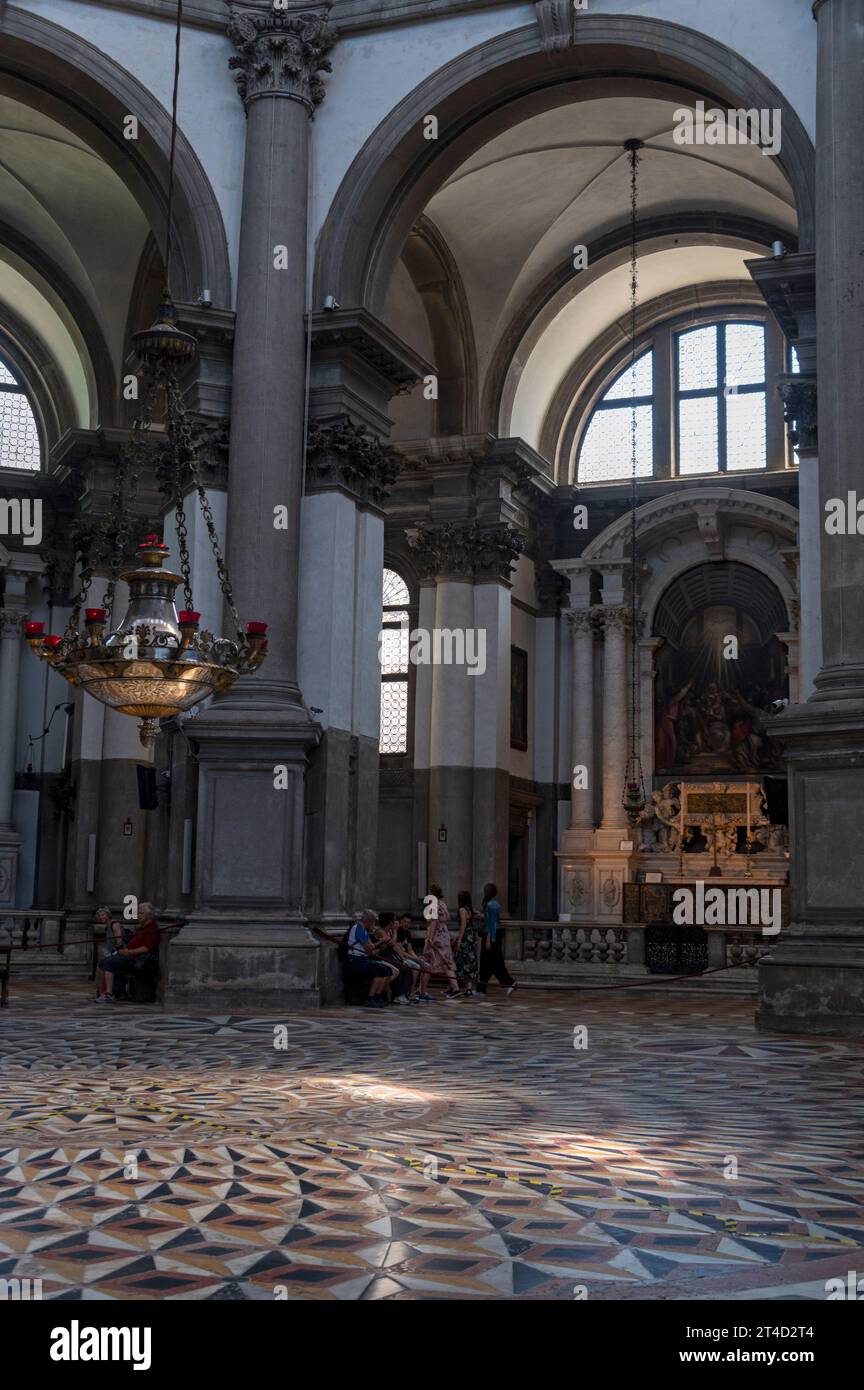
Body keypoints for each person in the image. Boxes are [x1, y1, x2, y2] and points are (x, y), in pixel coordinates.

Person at [96, 902, 160, 1002]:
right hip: (128, 955)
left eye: (141, 913)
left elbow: (146, 948)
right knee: (103, 962)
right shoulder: (142, 928)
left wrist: (128, 951)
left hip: (136, 959)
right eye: (138, 913)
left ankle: (109, 995)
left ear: (150, 915)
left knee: (109, 962)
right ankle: (102, 993)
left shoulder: (152, 928)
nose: (138, 915)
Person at [344, 909, 399, 1009]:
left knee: (387, 970)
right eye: (373, 922)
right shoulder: (358, 929)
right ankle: (371, 997)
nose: (374, 924)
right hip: (355, 960)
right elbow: (368, 948)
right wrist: (381, 941)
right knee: (380, 970)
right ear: (368, 920)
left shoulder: (364, 930)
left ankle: (377, 996)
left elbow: (369, 949)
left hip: (363, 959)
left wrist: (373, 945)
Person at [417, 884, 460, 1001]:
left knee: (427, 963)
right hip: (444, 935)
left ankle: (422, 990)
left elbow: (434, 922)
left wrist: (429, 938)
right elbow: (448, 918)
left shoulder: (433, 905)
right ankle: (455, 987)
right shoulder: (442, 904)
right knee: (447, 962)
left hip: (435, 936)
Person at [476, 883, 517, 998]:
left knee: (495, 963)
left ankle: (509, 982)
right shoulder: (491, 904)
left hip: (492, 935)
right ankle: (481, 988)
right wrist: (481, 915)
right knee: (485, 963)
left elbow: (492, 924)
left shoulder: (492, 904)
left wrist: (489, 940)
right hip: (491, 934)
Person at [93, 906, 127, 1000]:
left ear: (108, 915)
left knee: (106, 963)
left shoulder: (114, 924)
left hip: (121, 952)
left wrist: (116, 952)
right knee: (100, 965)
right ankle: (101, 992)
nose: (101, 917)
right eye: (99, 916)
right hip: (113, 953)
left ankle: (108, 993)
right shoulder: (106, 928)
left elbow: (119, 940)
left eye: (103, 915)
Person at [453, 890, 480, 995]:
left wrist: (459, 940)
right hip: (471, 938)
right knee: (470, 962)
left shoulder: (462, 910)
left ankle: (463, 987)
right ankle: (469, 989)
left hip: (465, 939)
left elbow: (463, 925)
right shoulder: (470, 910)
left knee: (462, 961)